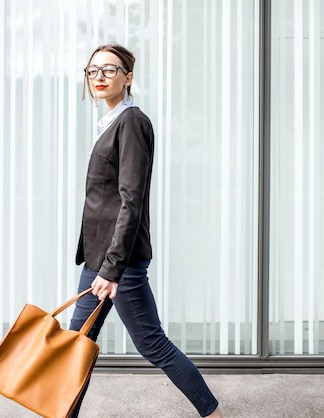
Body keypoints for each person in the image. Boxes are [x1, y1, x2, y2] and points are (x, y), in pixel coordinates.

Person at [69, 43, 224, 418]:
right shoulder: (110, 123)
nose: (99, 77)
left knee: (153, 343)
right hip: (98, 257)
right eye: (92, 71)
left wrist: (112, 269)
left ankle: (213, 413)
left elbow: (130, 200)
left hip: (117, 262)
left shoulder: (132, 122)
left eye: (109, 69)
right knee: (74, 344)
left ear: (128, 77)